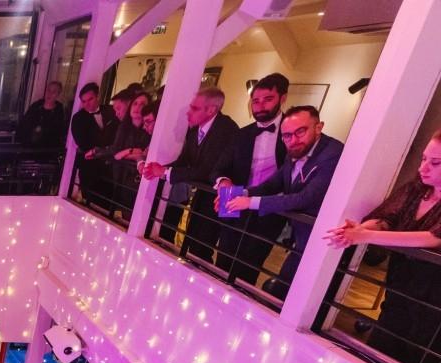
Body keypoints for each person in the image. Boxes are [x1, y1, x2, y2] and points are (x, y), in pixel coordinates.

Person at [326, 128, 441, 363]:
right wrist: (360, 227)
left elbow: (431, 238)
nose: (424, 167)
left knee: (414, 361)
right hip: (400, 286)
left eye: (435, 162)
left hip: (434, 299)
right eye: (423, 159)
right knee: (379, 351)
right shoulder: (415, 189)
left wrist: (365, 235)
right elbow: (387, 216)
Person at [222, 105, 344, 297]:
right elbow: (274, 183)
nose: (293, 140)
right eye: (287, 135)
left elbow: (305, 198)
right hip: (301, 234)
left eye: (300, 131)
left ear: (319, 127)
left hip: (323, 236)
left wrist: (251, 202)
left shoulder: (332, 154)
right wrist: (240, 194)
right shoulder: (296, 148)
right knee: (284, 286)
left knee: (295, 292)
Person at [140, 87, 239, 262]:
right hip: (204, 193)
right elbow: (184, 161)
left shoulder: (227, 129)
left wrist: (165, 172)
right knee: (193, 241)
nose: (188, 112)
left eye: (194, 108)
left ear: (211, 109)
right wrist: (160, 169)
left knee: (216, 249)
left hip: (226, 195)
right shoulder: (194, 131)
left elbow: (208, 170)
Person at [212, 74, 289, 285]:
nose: (260, 106)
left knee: (250, 264)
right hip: (234, 198)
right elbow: (219, 168)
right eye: (256, 101)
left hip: (268, 207)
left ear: (283, 98)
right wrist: (224, 182)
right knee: (223, 255)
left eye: (268, 99)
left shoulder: (290, 133)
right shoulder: (241, 134)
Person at [70, 82, 118, 208]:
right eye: (84, 101)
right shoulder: (78, 118)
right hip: (89, 167)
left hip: (110, 169)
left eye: (90, 99)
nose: (87, 104)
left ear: (98, 96)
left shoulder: (111, 111)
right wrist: (104, 150)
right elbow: (82, 143)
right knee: (89, 204)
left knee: (108, 204)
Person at [19, 80, 67, 149]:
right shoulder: (35, 107)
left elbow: (57, 132)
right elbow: (24, 124)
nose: (49, 93)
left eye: (54, 92)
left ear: (58, 94)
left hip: (47, 150)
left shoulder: (59, 111)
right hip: (29, 147)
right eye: (48, 90)